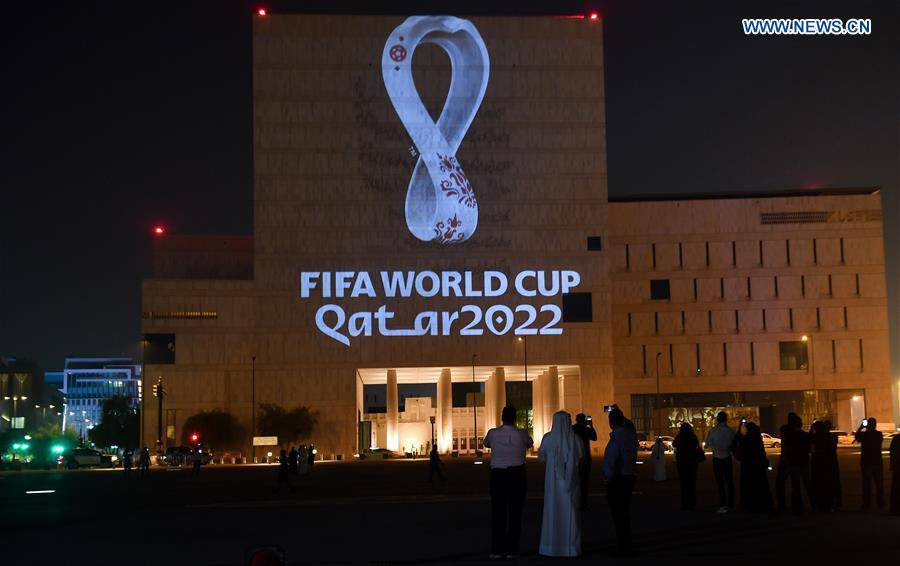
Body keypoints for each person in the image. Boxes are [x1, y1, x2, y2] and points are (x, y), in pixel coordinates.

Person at [483, 405, 533, 560]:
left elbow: (486, 444)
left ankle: (497, 549)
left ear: (502, 418)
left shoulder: (492, 433)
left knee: (498, 512)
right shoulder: (522, 434)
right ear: (515, 418)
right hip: (517, 474)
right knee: (515, 513)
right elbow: (530, 443)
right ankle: (512, 549)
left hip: (498, 475)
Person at [539, 411, 583, 557]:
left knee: (552, 512)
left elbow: (542, 457)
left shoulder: (548, 438)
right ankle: (570, 548)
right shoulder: (575, 439)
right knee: (571, 513)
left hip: (552, 484)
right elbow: (581, 457)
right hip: (571, 483)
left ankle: (551, 547)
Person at [602, 407, 638, 557]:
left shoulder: (616, 439)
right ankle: (627, 544)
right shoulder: (630, 436)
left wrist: (607, 477)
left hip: (617, 479)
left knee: (618, 516)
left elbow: (611, 461)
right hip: (629, 476)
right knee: (625, 514)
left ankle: (623, 547)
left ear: (611, 422)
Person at [734, 421, 772, 513]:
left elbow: (737, 438)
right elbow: (762, 452)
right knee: (760, 485)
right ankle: (762, 504)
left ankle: (749, 503)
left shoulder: (746, 439)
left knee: (748, 485)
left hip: (747, 465)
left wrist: (740, 426)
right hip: (758, 465)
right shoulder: (757, 438)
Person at [705, 411, 735, 513]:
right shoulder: (731, 431)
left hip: (717, 458)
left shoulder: (713, 431)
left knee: (720, 482)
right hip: (727, 458)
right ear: (726, 419)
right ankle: (731, 502)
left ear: (717, 419)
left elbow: (707, 444)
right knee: (729, 481)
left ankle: (723, 503)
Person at [855, 417, 884, 510]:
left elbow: (857, 438)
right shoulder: (879, 435)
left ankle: (867, 503)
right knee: (879, 484)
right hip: (877, 462)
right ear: (875, 425)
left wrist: (860, 427)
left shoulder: (864, 435)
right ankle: (880, 502)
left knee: (867, 485)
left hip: (866, 462)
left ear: (868, 425)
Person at [810, 420, 837, 512]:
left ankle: (819, 505)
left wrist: (811, 429)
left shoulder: (815, 437)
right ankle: (829, 505)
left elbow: (810, 444)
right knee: (827, 486)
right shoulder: (829, 437)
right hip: (827, 464)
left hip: (817, 465)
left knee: (818, 486)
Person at [572, 413, 597, 510]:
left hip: (574, 459)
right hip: (585, 459)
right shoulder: (586, 430)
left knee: (574, 481)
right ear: (584, 420)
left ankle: (575, 502)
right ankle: (583, 503)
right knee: (584, 482)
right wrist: (591, 426)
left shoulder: (572, 429)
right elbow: (594, 437)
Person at [673, 423, 701, 510]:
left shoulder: (679, 437)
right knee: (692, 483)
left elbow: (674, 444)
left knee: (683, 484)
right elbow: (697, 445)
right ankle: (692, 502)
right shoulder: (693, 437)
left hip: (682, 463)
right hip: (692, 462)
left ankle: (684, 503)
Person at [890, 432, 900, 515]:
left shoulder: (896, 438)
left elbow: (892, 452)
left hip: (897, 466)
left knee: (896, 488)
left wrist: (892, 464)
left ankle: (895, 508)